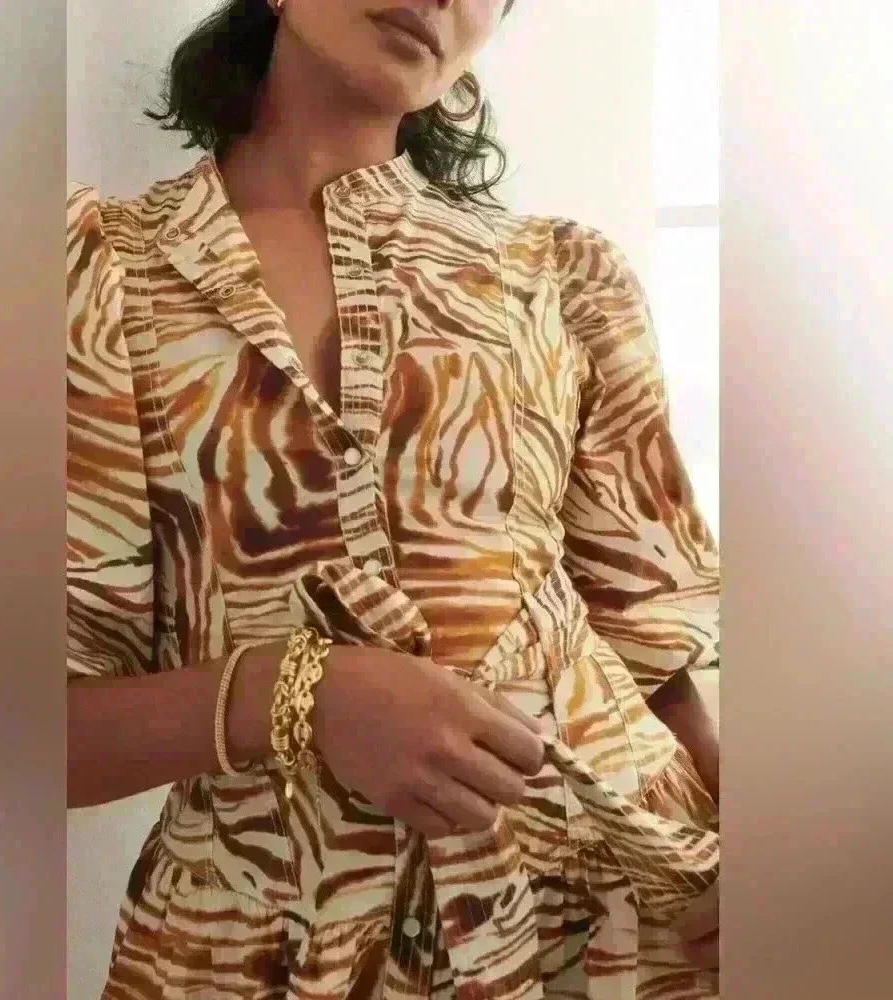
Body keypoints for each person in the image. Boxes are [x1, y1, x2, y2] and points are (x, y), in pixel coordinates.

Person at [66, 1, 721, 997]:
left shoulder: (559, 279)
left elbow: (651, 652)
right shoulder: (101, 276)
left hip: (608, 918)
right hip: (262, 941)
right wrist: (301, 695)